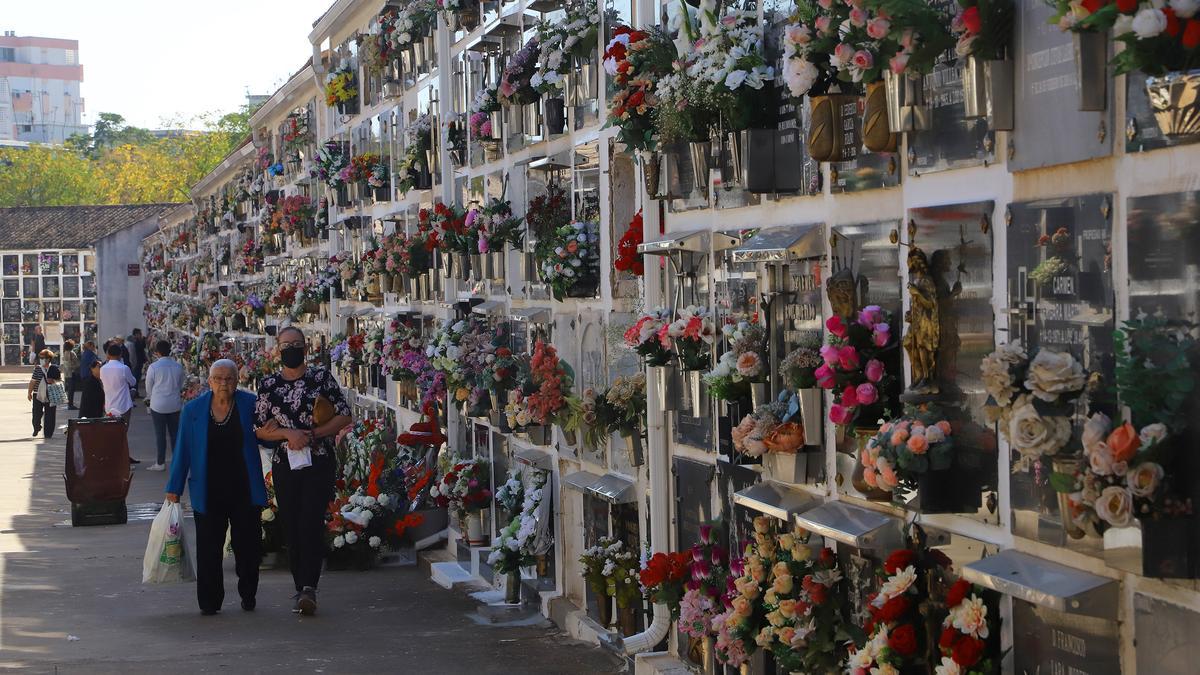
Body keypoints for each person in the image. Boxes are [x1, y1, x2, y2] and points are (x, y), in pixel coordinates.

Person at [254, 327, 351, 616]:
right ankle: (300, 586)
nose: (291, 349)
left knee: (311, 520)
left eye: (297, 344)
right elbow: (260, 428)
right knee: (292, 525)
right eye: (286, 345)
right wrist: (288, 434)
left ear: (306, 347)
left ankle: (309, 586)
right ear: (277, 349)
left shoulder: (320, 378)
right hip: (286, 464)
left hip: (318, 460)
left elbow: (344, 414)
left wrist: (312, 433)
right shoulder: (269, 384)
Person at [165, 360, 267, 616]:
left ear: (237, 380)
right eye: (218, 378)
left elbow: (267, 434)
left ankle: (248, 593)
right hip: (208, 489)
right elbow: (183, 450)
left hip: (244, 487)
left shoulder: (250, 405)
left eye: (229, 378)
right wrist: (174, 486)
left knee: (248, 547)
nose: (224, 383)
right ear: (209, 382)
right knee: (209, 548)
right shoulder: (193, 410)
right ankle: (210, 601)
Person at [144, 339, 184, 472]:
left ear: (157, 352)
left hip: (158, 405)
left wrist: (151, 397)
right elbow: (181, 385)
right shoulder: (178, 366)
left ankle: (160, 462)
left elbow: (149, 387)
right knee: (175, 434)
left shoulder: (153, 367)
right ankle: (177, 461)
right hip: (174, 404)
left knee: (160, 435)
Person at [99, 343, 140, 464]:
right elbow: (132, 382)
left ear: (108, 354)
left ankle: (115, 457)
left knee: (111, 432)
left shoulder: (103, 368)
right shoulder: (124, 368)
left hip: (109, 405)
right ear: (120, 354)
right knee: (123, 432)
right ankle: (122, 458)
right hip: (123, 405)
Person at [26, 349, 61, 438]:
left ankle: (48, 433)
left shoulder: (54, 368)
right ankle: (36, 427)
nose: (41, 359)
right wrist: (29, 392)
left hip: (51, 394)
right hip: (37, 394)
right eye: (40, 358)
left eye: (43, 358)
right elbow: (33, 381)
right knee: (36, 413)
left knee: (50, 415)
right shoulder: (37, 368)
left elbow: (60, 381)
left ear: (48, 359)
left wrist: (53, 381)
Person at [61, 339, 80, 411]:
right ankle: (70, 405)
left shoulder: (65, 353)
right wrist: (76, 366)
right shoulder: (72, 353)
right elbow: (76, 363)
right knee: (72, 389)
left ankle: (69, 404)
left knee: (69, 390)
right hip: (72, 373)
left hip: (66, 374)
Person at [130, 328, 148, 396]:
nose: (141, 335)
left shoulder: (137, 341)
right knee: (136, 377)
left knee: (137, 376)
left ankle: (135, 392)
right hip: (137, 362)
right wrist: (143, 341)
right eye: (140, 334)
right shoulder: (136, 341)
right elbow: (140, 348)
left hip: (139, 362)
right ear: (136, 334)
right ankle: (134, 392)